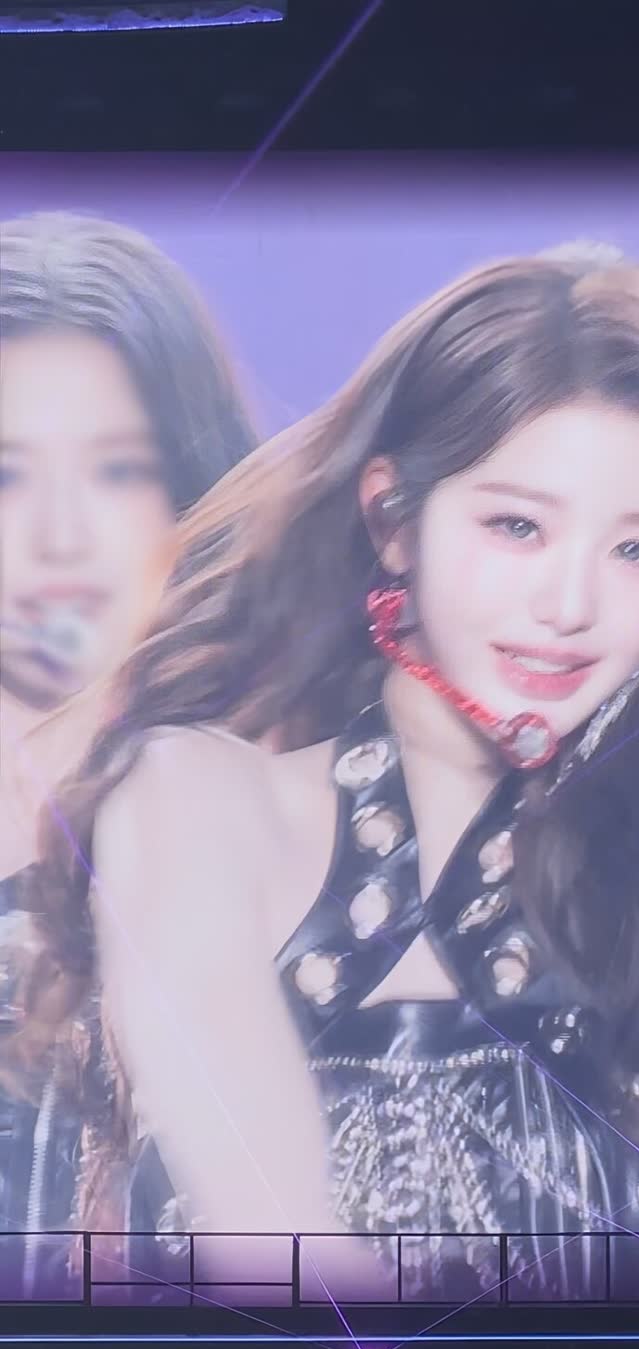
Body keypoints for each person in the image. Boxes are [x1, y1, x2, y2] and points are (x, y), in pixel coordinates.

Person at [22, 244, 639, 1298]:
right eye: (517, 527)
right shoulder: (199, 803)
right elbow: (272, 1243)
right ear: (393, 520)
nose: (569, 605)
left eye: (637, 550)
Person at [0, 211, 257, 1290]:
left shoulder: (283, 833)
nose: (59, 534)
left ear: (191, 492)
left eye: (115, 471)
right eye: (6, 474)